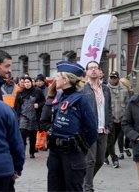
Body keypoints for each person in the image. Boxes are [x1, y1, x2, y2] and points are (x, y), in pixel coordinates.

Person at [46, 61, 98, 191]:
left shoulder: (81, 100)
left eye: (58, 76)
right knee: (54, 188)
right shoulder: (59, 96)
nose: (55, 79)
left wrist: (80, 147)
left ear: (65, 79)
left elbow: (92, 130)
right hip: (55, 153)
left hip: (72, 154)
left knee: (72, 188)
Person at [82, 61, 113, 192]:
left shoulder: (105, 88)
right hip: (89, 130)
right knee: (90, 160)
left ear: (100, 71)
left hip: (103, 129)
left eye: (96, 68)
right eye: (91, 68)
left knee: (100, 160)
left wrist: (109, 125)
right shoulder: (83, 89)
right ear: (87, 72)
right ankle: (88, 188)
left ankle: (84, 182)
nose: (93, 70)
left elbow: (109, 108)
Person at [14, 77, 45, 158]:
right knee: (22, 134)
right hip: (23, 116)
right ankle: (22, 152)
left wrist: (38, 105)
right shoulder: (20, 93)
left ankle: (32, 152)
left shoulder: (37, 91)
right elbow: (16, 105)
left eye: (28, 82)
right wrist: (17, 116)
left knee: (32, 135)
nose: (27, 84)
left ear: (31, 82)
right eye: (25, 82)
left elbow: (43, 101)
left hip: (34, 116)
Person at [104, 71, 129, 168]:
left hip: (121, 119)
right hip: (110, 119)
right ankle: (114, 159)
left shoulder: (124, 89)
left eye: (115, 77)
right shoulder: (105, 89)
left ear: (118, 78)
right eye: (111, 77)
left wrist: (126, 117)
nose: (113, 79)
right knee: (111, 140)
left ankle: (104, 156)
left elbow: (127, 104)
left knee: (113, 140)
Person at [119, 77, 134, 158]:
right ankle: (121, 153)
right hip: (120, 116)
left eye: (122, 83)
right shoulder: (118, 92)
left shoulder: (131, 93)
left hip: (129, 116)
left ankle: (126, 147)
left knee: (128, 134)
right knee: (120, 135)